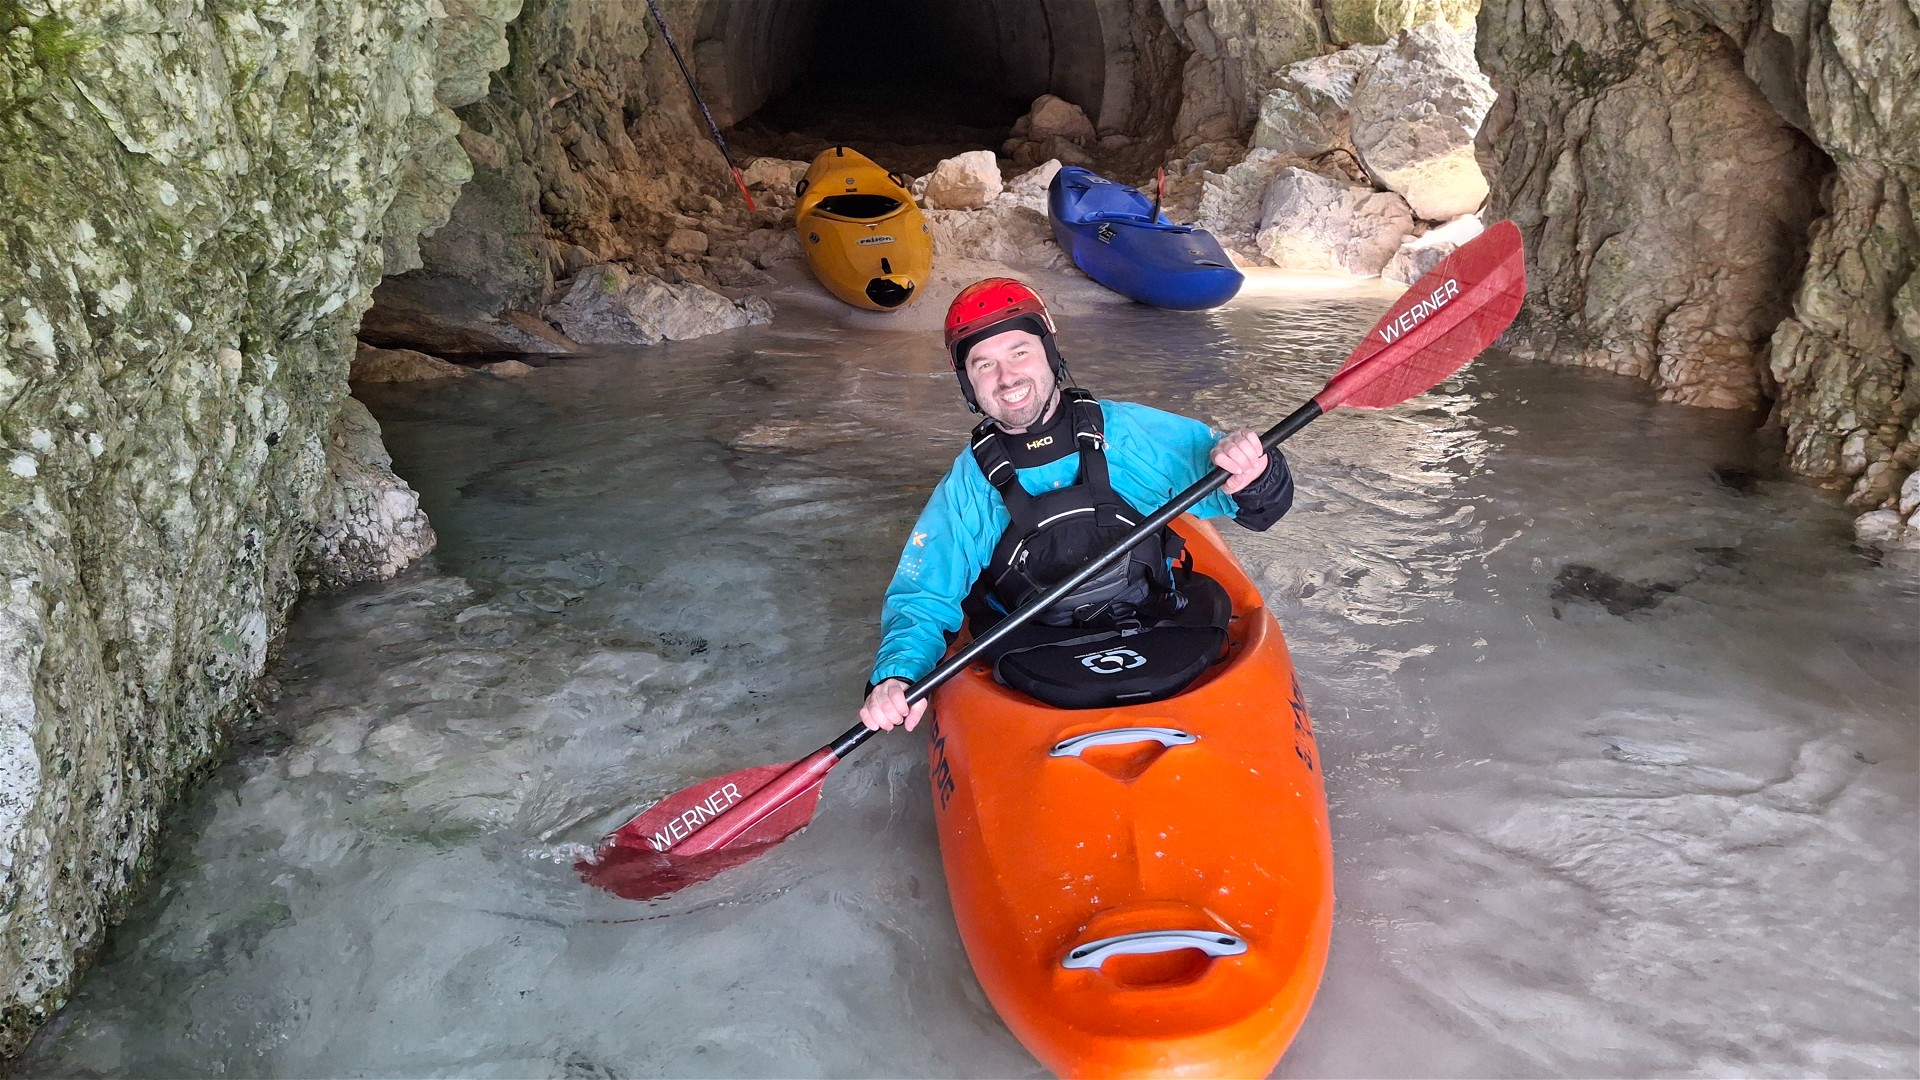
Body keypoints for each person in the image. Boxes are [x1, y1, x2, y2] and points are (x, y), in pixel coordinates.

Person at [858, 277, 1294, 732]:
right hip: (1038, 653)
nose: (1006, 378)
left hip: (1158, 622)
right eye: (984, 364)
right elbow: (925, 595)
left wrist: (1254, 473)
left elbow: (1261, 509)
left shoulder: (1128, 434)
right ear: (968, 383)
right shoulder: (968, 487)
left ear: (1049, 350)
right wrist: (896, 675)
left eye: (1019, 352)